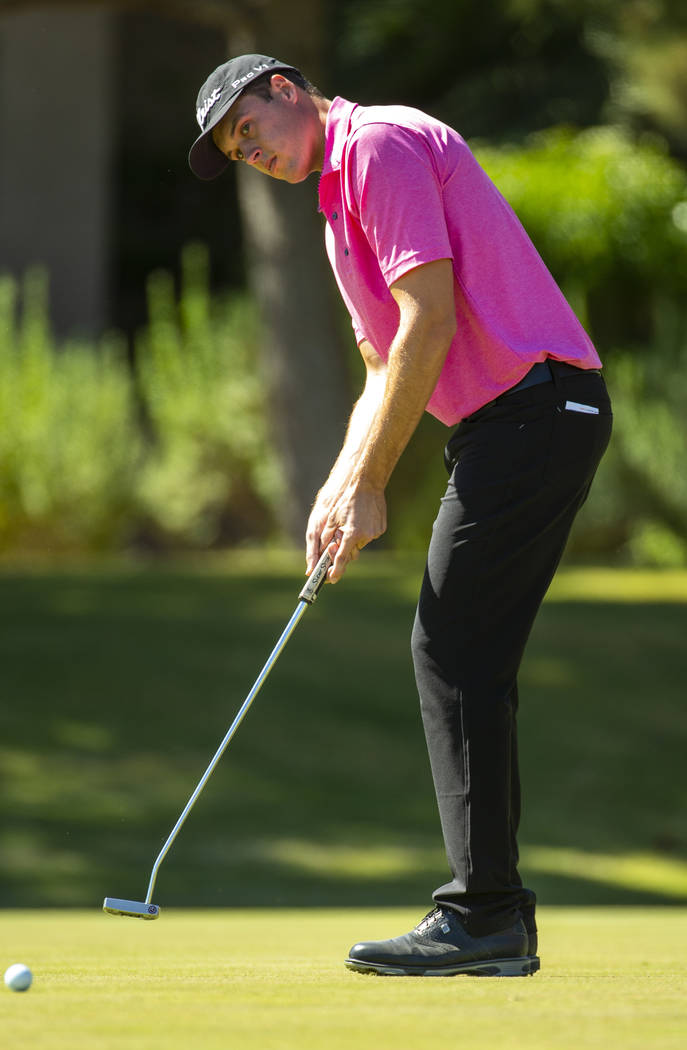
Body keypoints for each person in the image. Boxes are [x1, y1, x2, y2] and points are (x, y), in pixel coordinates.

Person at [188, 54, 612, 977]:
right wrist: (341, 486)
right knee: (465, 652)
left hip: (536, 411)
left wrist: (375, 480)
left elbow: (431, 321)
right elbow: (386, 367)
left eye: (249, 127)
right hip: (513, 424)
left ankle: (484, 915)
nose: (249, 150)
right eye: (234, 147)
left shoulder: (374, 144)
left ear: (287, 90)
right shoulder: (336, 209)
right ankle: (489, 916)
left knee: (452, 646)